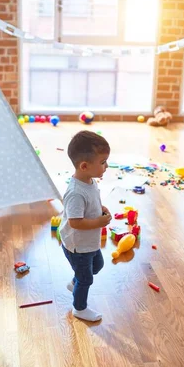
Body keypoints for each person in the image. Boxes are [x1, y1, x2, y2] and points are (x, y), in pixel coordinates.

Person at [58, 131, 112, 322]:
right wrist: (98, 222)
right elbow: (75, 222)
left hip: (89, 242)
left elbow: (91, 203)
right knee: (87, 278)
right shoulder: (75, 192)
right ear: (84, 166)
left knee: (98, 265)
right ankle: (79, 308)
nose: (106, 166)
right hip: (78, 246)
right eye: (103, 162)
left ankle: (75, 282)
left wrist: (100, 209)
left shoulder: (90, 181)